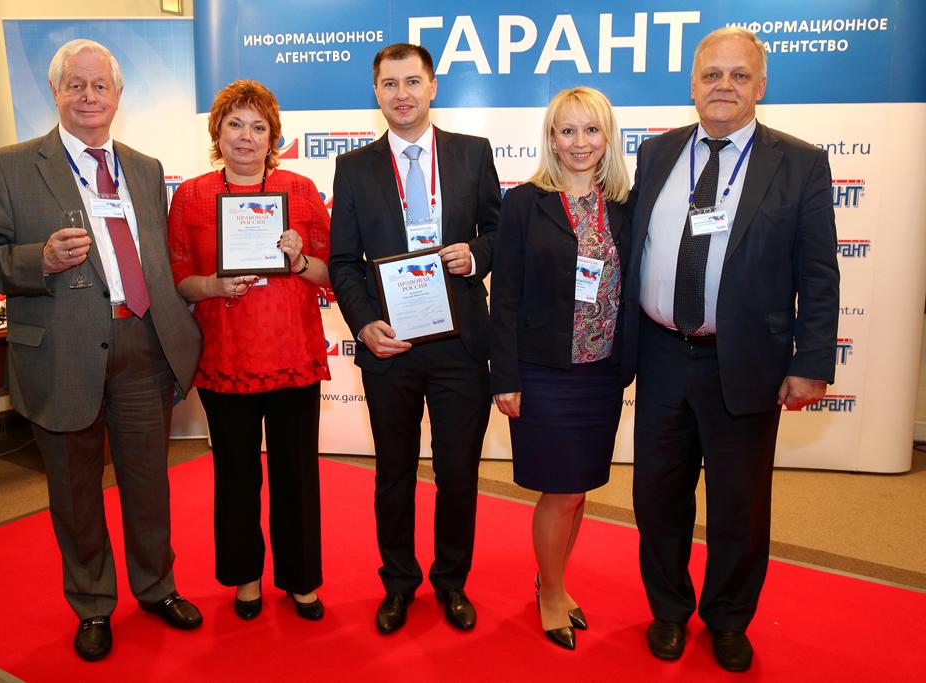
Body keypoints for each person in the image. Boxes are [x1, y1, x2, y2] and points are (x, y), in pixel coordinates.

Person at [0, 39, 204, 662]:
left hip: (143, 343)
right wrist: (36, 260)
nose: (89, 97)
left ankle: (157, 587)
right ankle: (92, 603)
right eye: (76, 85)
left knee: (149, 483)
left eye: (100, 86)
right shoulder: (9, 165)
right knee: (74, 490)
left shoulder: (144, 168)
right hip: (61, 352)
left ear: (118, 95)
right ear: (56, 93)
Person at [621, 27, 839, 672]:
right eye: (712, 74)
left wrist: (810, 362)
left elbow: (819, 273)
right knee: (657, 496)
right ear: (692, 85)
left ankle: (728, 618)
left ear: (760, 86)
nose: (724, 86)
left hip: (745, 361)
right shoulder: (657, 153)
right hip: (661, 352)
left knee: (739, 505)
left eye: (739, 75)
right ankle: (668, 609)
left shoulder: (799, 163)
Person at [328, 43, 501, 634]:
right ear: (376, 92)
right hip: (390, 344)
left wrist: (476, 254)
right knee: (394, 472)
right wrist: (362, 324)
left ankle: (451, 582)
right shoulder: (354, 167)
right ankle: (398, 584)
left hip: (460, 344)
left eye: (412, 81)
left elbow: (500, 230)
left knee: (458, 473)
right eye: (389, 84)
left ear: (433, 87)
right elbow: (343, 261)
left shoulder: (472, 153)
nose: (401, 94)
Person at [168, 80, 331, 622]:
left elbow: (333, 273)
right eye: (235, 124)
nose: (246, 136)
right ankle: (246, 577)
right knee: (236, 476)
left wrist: (299, 260)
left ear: (273, 137)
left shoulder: (300, 191)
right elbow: (178, 276)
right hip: (227, 358)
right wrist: (212, 286)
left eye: (258, 126)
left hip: (293, 355)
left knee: (296, 476)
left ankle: (301, 579)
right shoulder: (191, 196)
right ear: (217, 132)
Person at [490, 87, 632, 650]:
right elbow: (505, 296)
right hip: (543, 371)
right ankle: (550, 592)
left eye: (590, 130)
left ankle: (554, 579)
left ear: (607, 136)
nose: (579, 142)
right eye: (567, 130)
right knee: (559, 490)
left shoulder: (624, 203)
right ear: (551, 138)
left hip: (602, 373)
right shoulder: (525, 203)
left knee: (580, 487)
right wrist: (504, 376)